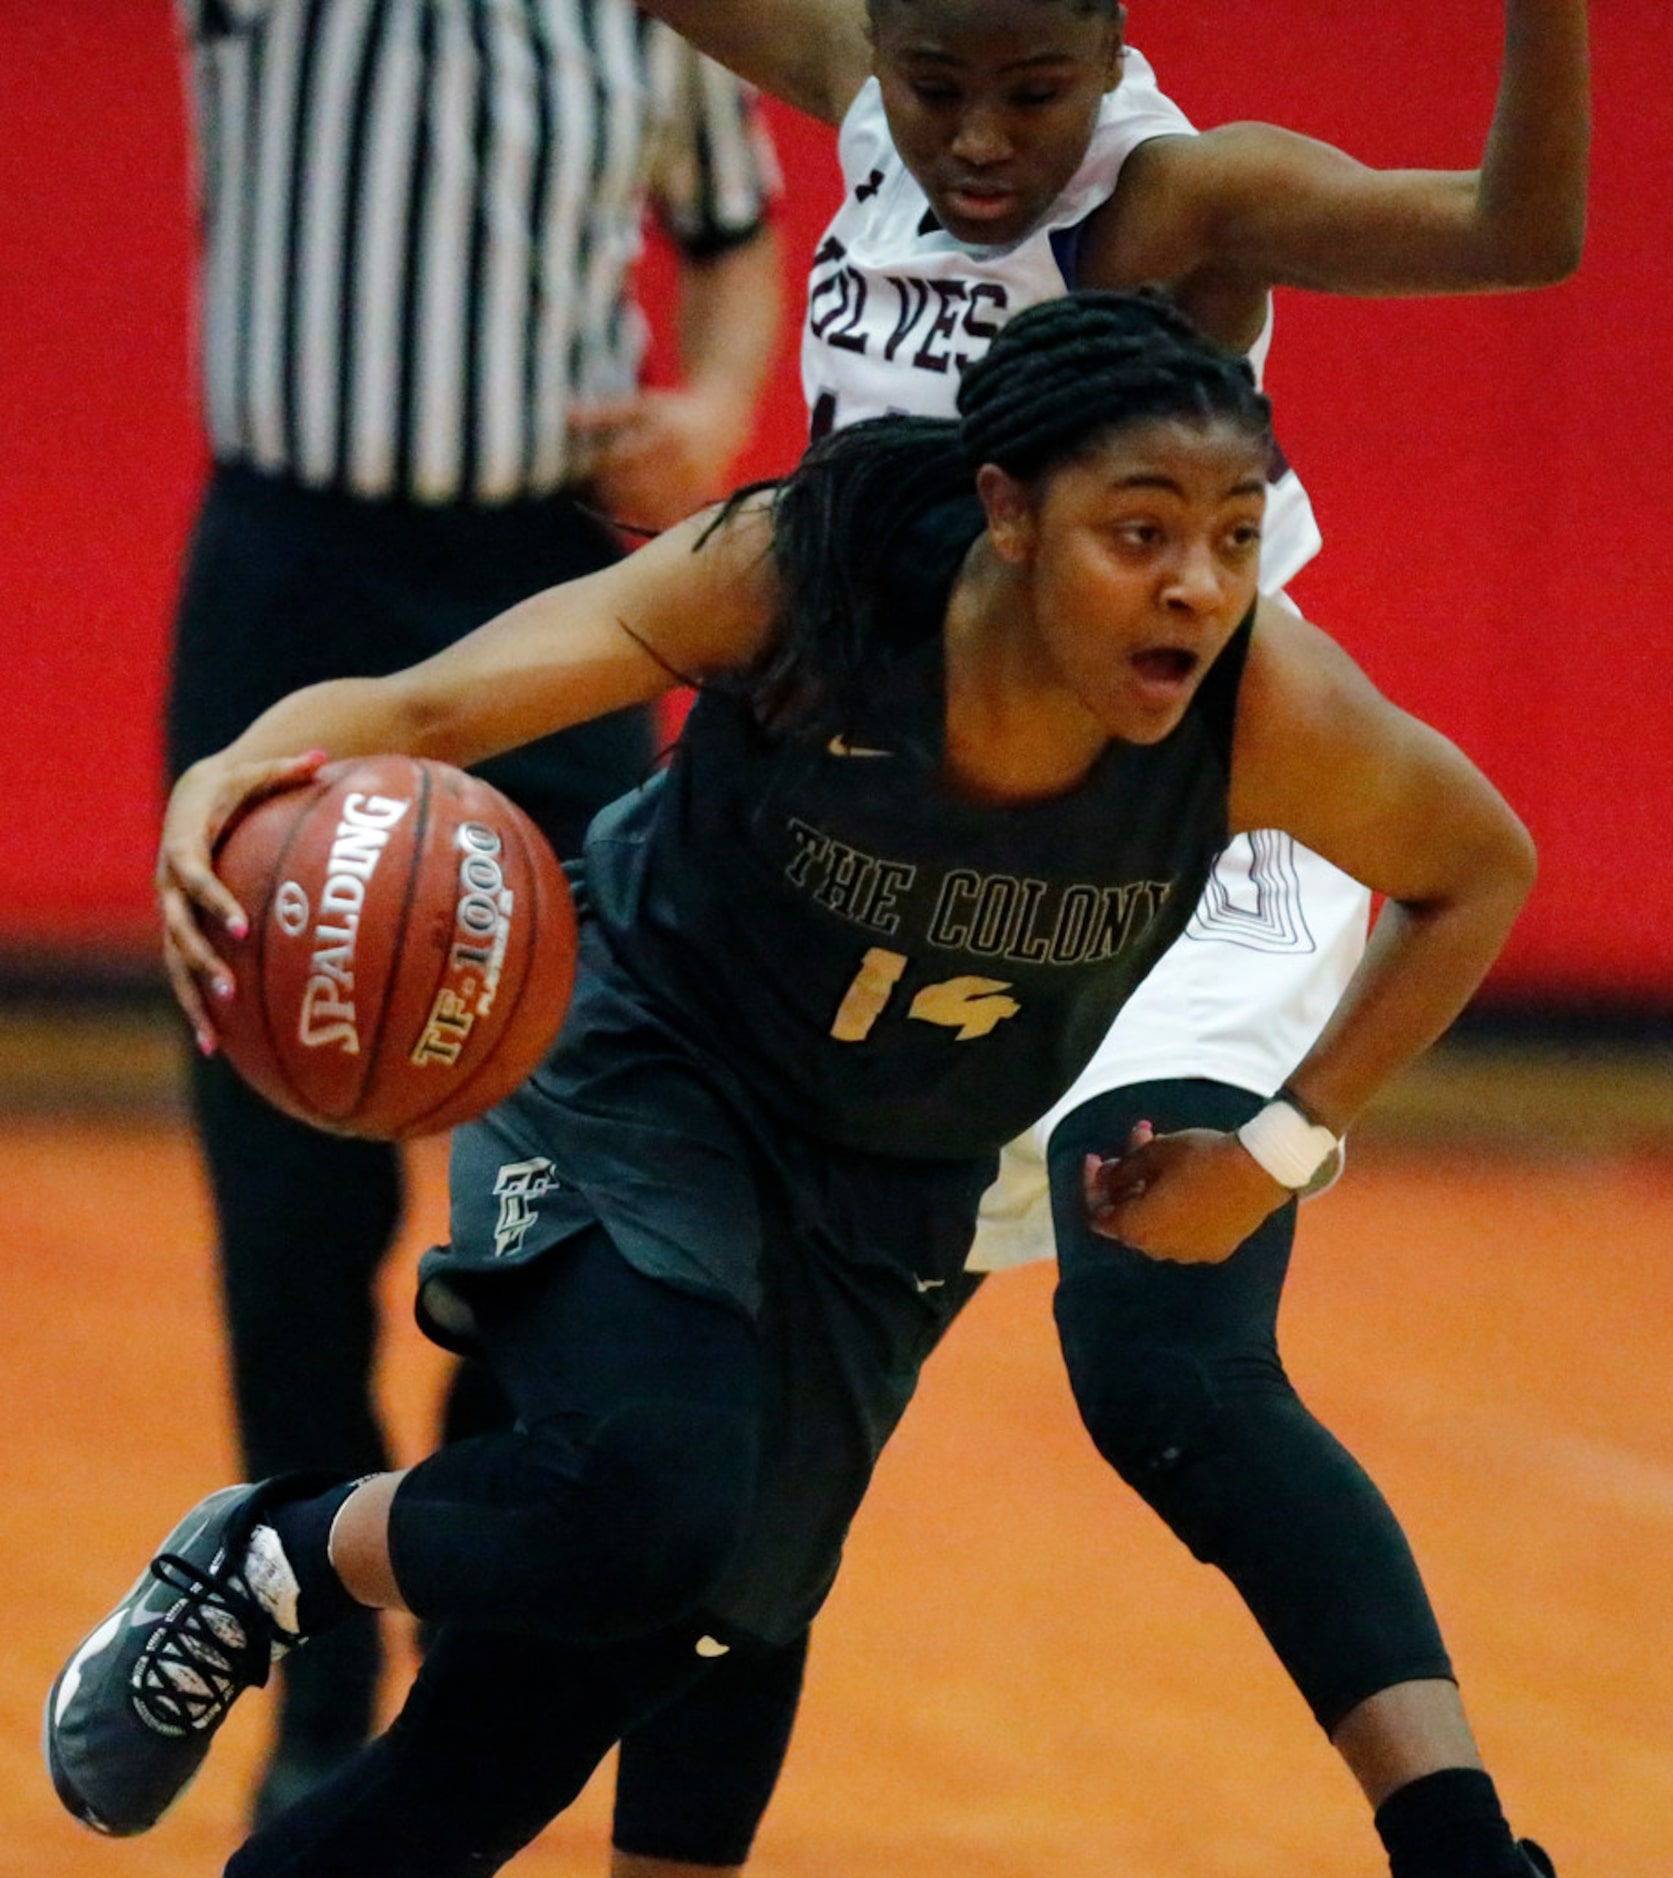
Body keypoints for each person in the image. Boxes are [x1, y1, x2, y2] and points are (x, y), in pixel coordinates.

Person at [47, 290, 1544, 1877]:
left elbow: (1476, 870)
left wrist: (1280, 1143)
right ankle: (275, 1552)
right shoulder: (812, 574)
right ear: (1008, 514)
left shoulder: (1259, 707)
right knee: (656, 1496)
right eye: (1141, 529)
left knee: (557, 1698)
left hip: (886, 1183)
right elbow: (428, 706)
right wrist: (234, 772)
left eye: (1235, 538)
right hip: (647, 1062)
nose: (1195, 583)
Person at [531, 2, 1588, 1873]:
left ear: (1112, 47)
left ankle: (1464, 1845)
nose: (982, 139)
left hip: (1185, 840)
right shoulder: (881, 100)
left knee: (1160, 1346)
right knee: (759, 1453)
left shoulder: (1185, 196)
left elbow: (1517, 233)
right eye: (939, 89)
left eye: (1035, 92)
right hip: (909, 854)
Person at [165, 0, 784, 1841]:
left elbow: (737, 235)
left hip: (556, 584)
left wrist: (712, 405)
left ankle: (464, 1622)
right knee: (282, 1176)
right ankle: (309, 1658)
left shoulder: (663, 19)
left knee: (566, 1150)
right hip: (292, 565)